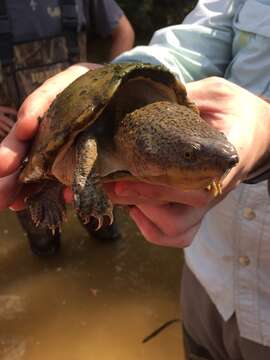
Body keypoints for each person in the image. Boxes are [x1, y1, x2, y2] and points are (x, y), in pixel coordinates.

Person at [1, 0, 270, 359]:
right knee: (47, 192)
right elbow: (193, 44)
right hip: (209, 280)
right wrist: (116, 72)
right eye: (190, 156)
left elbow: (221, 149)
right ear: (144, 146)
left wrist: (263, 138)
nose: (228, 159)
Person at [0, 0, 134, 256]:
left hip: (85, 128)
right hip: (21, 139)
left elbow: (123, 30)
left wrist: (110, 81)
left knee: (103, 223)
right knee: (42, 235)